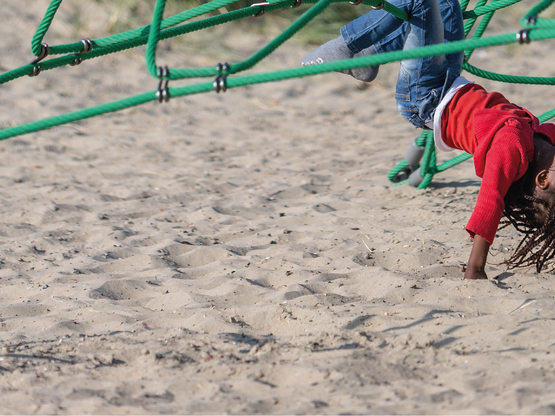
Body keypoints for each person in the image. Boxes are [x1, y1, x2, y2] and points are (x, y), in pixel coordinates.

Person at [301, 0, 555, 279]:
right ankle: (370, 55)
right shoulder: (544, 141)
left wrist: (475, 268)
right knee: (446, 4)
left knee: (420, 1)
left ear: (543, 179)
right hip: (449, 81)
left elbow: (490, 203)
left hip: (424, 98)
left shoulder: (511, 150)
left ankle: (346, 47)